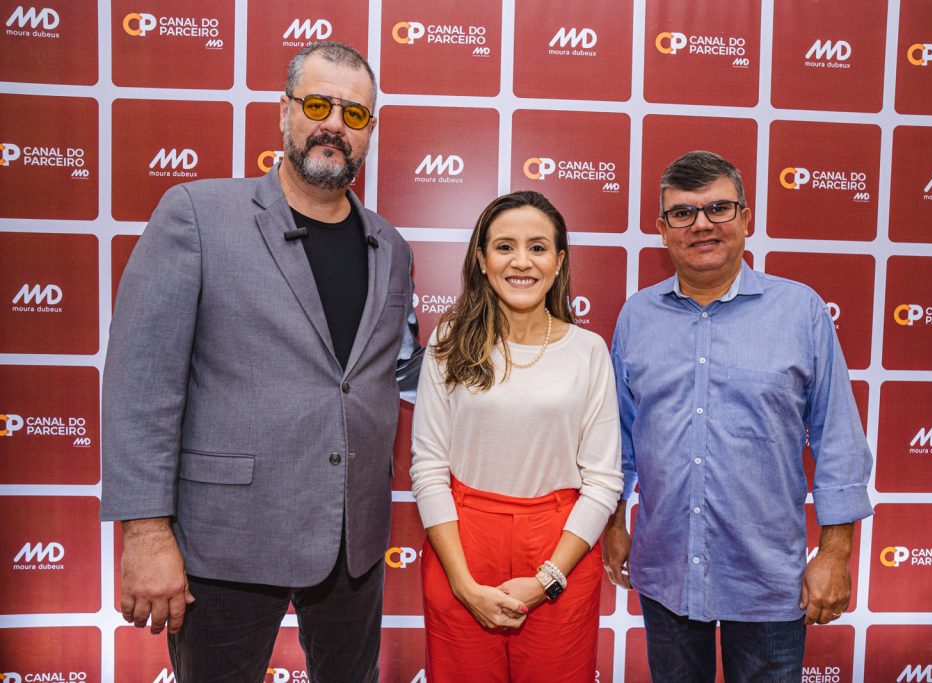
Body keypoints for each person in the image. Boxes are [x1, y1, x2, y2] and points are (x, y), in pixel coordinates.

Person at [100, 42, 421, 682]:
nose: (335, 125)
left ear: (370, 129)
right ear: (284, 111)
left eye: (355, 114)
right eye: (318, 105)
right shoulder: (197, 215)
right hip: (226, 542)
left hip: (352, 545)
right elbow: (141, 386)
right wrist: (145, 533)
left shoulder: (391, 246)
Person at [603, 151, 873, 682]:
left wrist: (834, 553)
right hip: (666, 571)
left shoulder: (801, 311)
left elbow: (838, 439)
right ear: (662, 230)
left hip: (769, 578)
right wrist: (615, 522)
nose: (702, 224)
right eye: (683, 213)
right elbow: (620, 438)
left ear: (746, 218)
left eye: (718, 208)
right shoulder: (637, 316)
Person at [410, 191, 623, 682]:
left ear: (559, 261)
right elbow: (429, 469)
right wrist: (463, 584)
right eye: (505, 246)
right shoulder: (448, 341)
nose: (521, 261)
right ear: (481, 260)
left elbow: (603, 482)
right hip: (461, 547)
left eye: (538, 247)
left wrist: (547, 580)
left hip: (561, 552)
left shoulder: (589, 350)